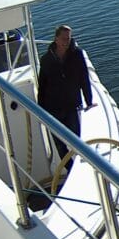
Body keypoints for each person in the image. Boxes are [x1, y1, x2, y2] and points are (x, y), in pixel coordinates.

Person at [38, 25, 95, 161]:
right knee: (60, 144)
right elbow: (42, 85)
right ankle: (68, 167)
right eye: (63, 39)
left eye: (68, 39)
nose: (66, 42)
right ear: (56, 39)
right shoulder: (46, 59)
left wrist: (89, 100)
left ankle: (80, 162)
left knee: (77, 139)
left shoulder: (77, 55)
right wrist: (41, 110)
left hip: (72, 104)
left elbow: (84, 78)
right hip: (53, 107)